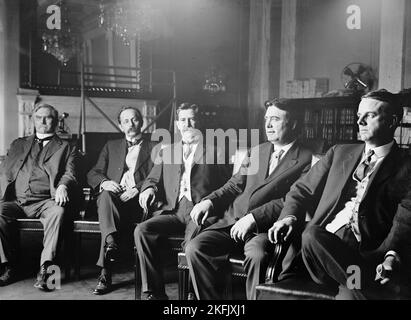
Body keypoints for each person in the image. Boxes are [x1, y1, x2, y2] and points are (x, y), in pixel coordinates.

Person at [269, 89, 411, 299]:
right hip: (319, 249)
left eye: (369, 115)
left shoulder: (406, 165)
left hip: (364, 256)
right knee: (312, 234)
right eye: (358, 116)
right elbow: (301, 190)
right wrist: (288, 217)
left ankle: (361, 286)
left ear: (391, 122)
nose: (360, 122)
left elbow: (406, 216)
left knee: (350, 293)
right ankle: (370, 288)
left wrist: (391, 255)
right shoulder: (339, 152)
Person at [185, 98, 314, 300]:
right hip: (232, 221)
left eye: (275, 119)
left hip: (266, 228)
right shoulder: (258, 151)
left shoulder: (307, 157)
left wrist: (253, 218)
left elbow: (291, 199)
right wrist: (208, 201)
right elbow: (234, 185)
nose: (268, 125)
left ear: (294, 123)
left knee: (258, 256)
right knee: (196, 247)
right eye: (266, 119)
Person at [134, 102, 231, 300]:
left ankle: (191, 294)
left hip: (200, 212)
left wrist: (210, 204)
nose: (187, 123)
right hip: (174, 210)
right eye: (183, 120)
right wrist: (149, 189)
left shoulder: (216, 149)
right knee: (142, 230)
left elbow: (228, 185)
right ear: (177, 124)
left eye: (192, 118)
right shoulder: (166, 150)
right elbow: (152, 178)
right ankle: (154, 293)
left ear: (199, 121)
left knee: (191, 244)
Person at [0, 103, 79, 290]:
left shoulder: (66, 146)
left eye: (48, 117)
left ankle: (47, 270)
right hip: (16, 201)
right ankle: (8, 266)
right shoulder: (18, 143)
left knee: (58, 213)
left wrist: (62, 186)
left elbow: (70, 173)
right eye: (38, 117)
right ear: (32, 120)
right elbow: (4, 172)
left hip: (46, 201)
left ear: (56, 121)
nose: (43, 121)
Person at [87, 106, 156, 295]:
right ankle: (111, 245)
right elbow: (93, 172)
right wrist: (105, 182)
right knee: (106, 197)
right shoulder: (111, 145)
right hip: (112, 199)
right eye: (126, 121)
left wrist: (138, 188)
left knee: (107, 220)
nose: (130, 124)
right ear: (120, 125)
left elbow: (161, 175)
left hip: (139, 202)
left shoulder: (155, 147)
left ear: (141, 122)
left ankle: (105, 270)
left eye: (134, 120)